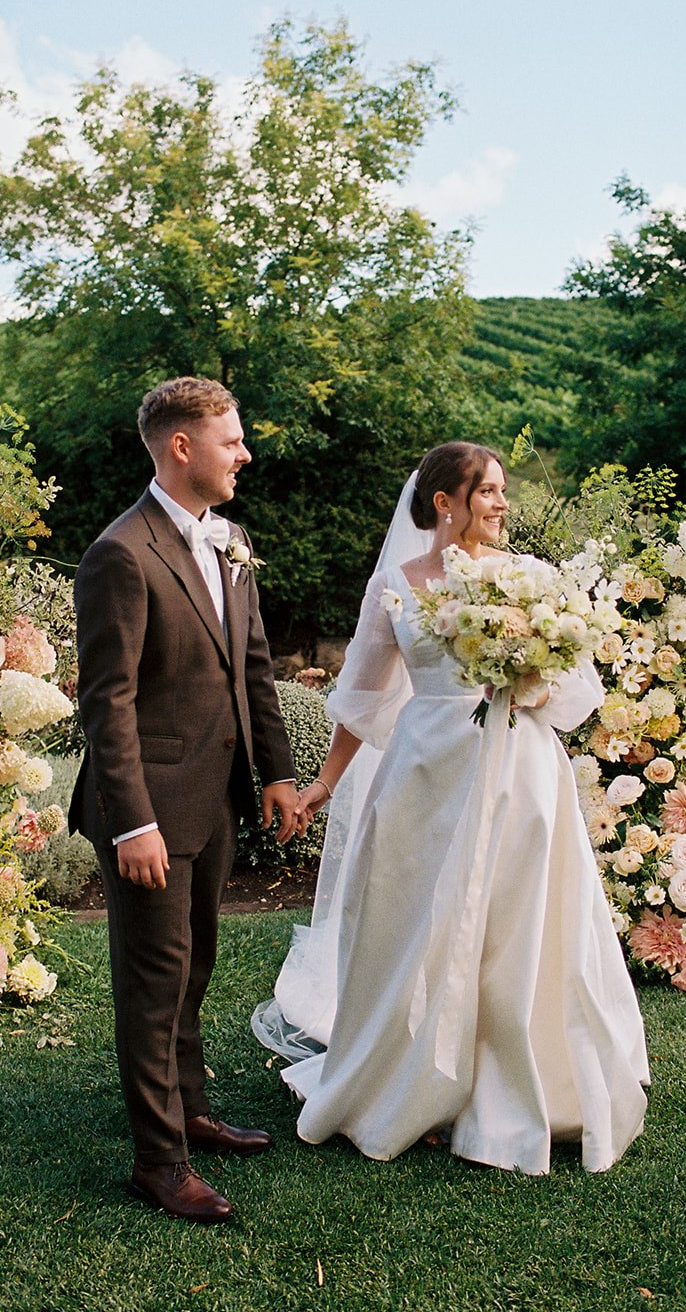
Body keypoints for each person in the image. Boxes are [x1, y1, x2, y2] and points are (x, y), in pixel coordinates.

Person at [253, 443, 650, 1176]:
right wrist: (325, 785)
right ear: (445, 501)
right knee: (410, 924)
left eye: (501, 490)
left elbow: (571, 688)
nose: (501, 503)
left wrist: (526, 679)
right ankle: (410, 1079)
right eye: (487, 490)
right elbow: (362, 697)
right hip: (424, 772)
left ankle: (509, 1084)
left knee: (514, 925)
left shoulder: (531, 579)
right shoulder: (396, 585)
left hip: (519, 770)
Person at [71, 377, 299, 1223]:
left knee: (194, 963)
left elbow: (254, 667)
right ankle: (158, 1163)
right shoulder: (120, 554)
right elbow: (108, 703)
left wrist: (277, 773)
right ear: (181, 446)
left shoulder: (230, 539)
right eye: (231, 440)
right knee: (153, 982)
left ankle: (192, 1110)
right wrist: (133, 822)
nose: (244, 454)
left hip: (215, 798)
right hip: (150, 813)